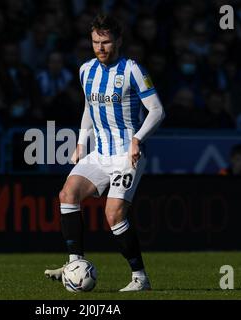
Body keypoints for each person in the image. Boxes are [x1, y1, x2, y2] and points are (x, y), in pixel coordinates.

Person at [44, 14, 165, 292]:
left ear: (118, 41)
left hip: (127, 155)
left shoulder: (133, 70)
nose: (100, 47)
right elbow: (89, 108)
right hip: (99, 153)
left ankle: (140, 278)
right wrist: (80, 142)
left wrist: (137, 139)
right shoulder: (86, 70)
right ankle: (75, 263)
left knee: (113, 214)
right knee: (68, 194)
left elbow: (157, 111)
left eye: (106, 42)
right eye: (96, 42)